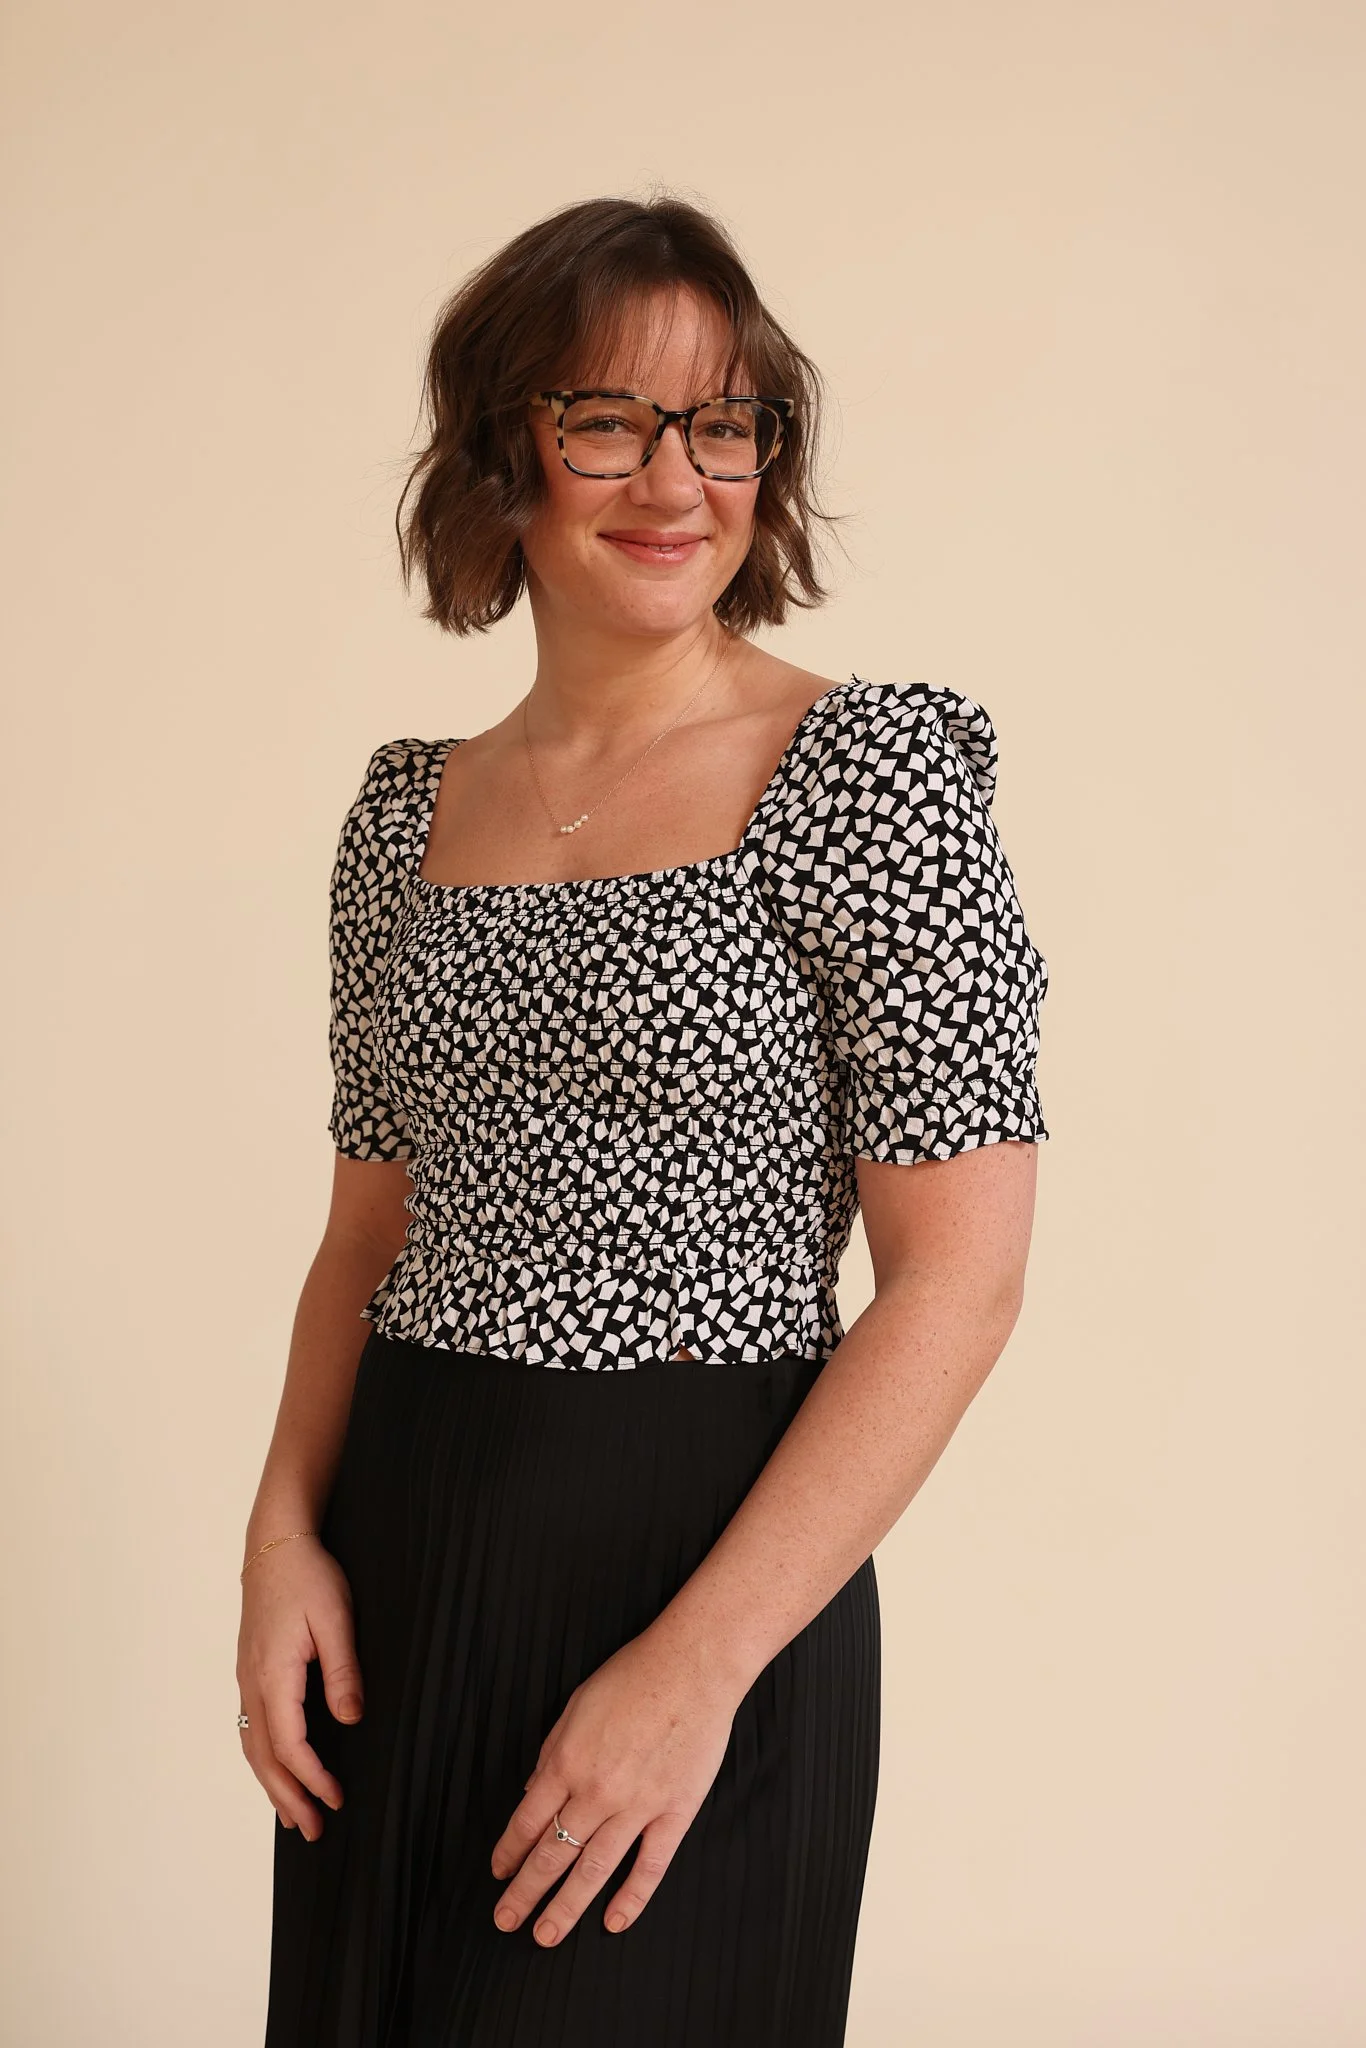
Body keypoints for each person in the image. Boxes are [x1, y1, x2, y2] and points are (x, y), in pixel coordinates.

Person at [238, 193, 1051, 2048]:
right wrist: (281, 1535)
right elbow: (370, 1235)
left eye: (724, 422)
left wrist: (695, 1672)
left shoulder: (872, 773)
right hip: (402, 1560)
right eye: (605, 419)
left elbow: (958, 1284)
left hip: (702, 1559)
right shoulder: (400, 814)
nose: (672, 477)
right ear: (499, 452)